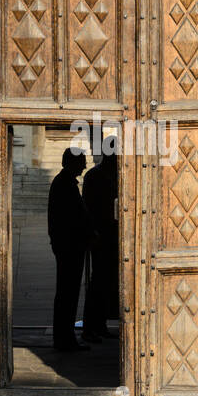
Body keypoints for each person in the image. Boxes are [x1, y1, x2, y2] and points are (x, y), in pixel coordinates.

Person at [47, 147, 93, 351]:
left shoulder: (64, 183)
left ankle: (65, 337)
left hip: (68, 246)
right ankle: (65, 339)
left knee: (67, 293)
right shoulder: (64, 184)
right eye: (82, 161)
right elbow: (71, 219)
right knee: (68, 293)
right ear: (72, 162)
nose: (84, 166)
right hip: (69, 247)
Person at [82, 139, 119, 341]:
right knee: (96, 282)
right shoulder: (95, 176)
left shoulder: (115, 174)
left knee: (107, 282)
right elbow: (88, 208)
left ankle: (101, 323)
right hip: (100, 236)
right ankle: (90, 327)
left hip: (113, 235)